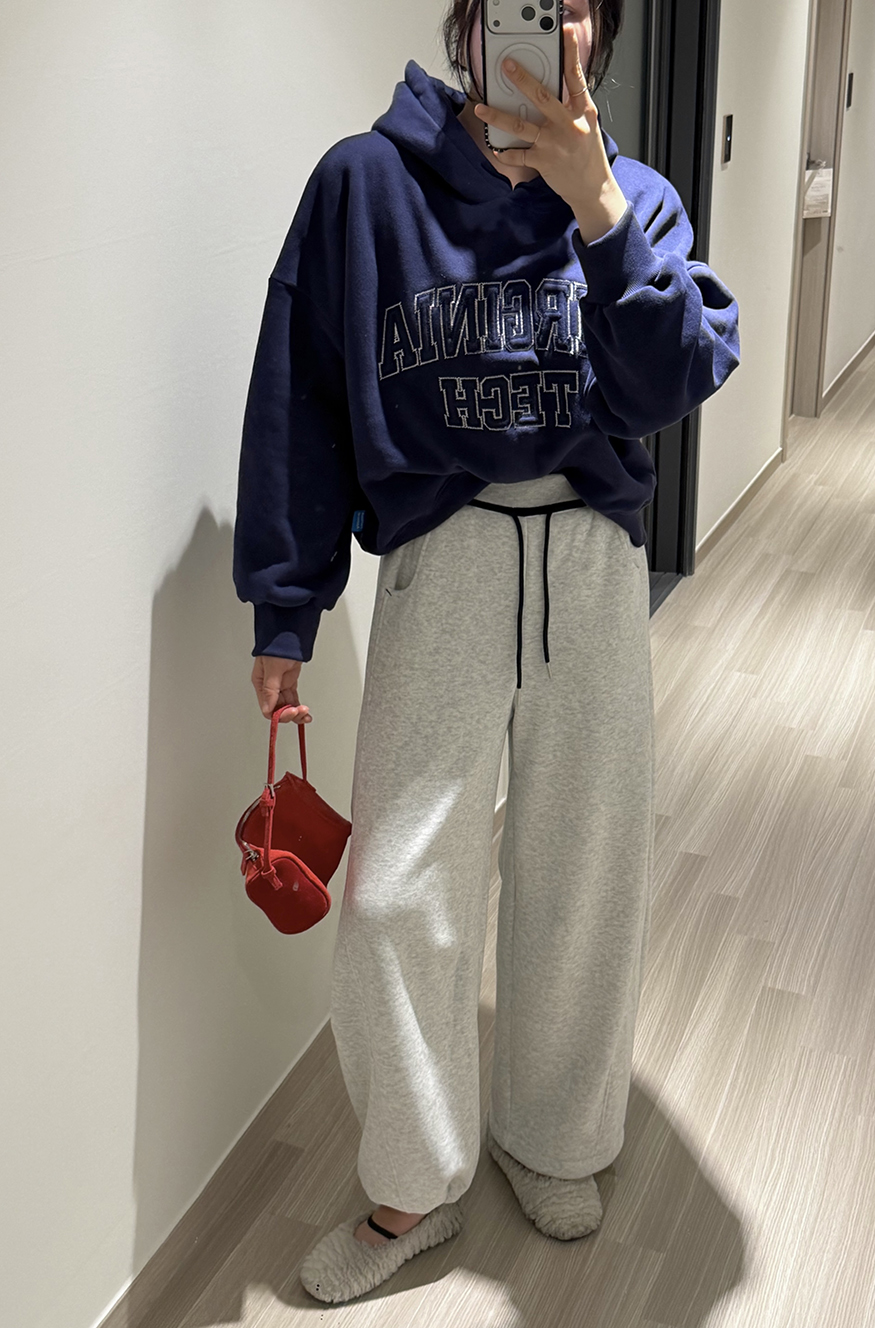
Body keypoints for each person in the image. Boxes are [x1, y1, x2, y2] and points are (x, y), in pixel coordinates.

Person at [232, 0, 739, 1305]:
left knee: (583, 870)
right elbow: (299, 394)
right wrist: (286, 606)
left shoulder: (634, 196)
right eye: (514, 0)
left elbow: (670, 383)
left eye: (568, 2)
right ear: (468, 21)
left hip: (592, 563)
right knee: (397, 892)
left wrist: (597, 211)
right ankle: (412, 1181)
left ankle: (553, 1136)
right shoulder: (365, 185)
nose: (540, 20)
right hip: (441, 558)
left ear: (597, 31)